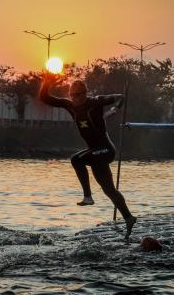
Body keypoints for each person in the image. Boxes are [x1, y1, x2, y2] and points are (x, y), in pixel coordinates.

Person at [39, 74, 137, 238]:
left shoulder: (95, 102)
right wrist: (47, 81)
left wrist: (114, 110)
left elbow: (120, 97)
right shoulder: (69, 105)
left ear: (85, 93)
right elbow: (45, 98)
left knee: (76, 159)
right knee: (109, 190)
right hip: (96, 154)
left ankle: (88, 196)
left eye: (79, 94)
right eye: (73, 95)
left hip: (106, 150)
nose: (76, 98)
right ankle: (129, 217)